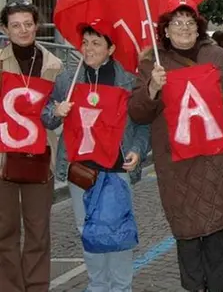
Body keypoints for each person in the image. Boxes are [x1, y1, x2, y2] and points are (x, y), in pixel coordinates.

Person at [128, 0, 223, 292]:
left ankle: (217, 287)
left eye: (190, 22)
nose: (184, 28)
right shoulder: (152, 63)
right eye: (177, 23)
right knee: (187, 234)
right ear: (165, 29)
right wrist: (152, 87)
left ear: (198, 27)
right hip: (176, 163)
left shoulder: (216, 57)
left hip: (213, 160)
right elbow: (138, 112)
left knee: (215, 233)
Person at [42, 22, 150, 292]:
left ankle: (121, 287)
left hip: (116, 168)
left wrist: (137, 149)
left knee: (118, 232)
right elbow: (46, 116)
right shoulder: (67, 79)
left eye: (96, 43)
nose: (88, 49)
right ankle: (97, 286)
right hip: (82, 171)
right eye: (85, 43)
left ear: (111, 48)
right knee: (88, 232)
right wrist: (56, 112)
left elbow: (142, 123)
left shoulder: (127, 80)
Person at [0, 2, 63, 292]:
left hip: (40, 160)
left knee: (38, 232)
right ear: (5, 29)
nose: (23, 30)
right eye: (16, 25)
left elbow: (56, 117)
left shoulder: (54, 66)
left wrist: (58, 113)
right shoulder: (0, 64)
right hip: (3, 161)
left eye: (28, 23)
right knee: (5, 232)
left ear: (36, 26)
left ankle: (37, 287)